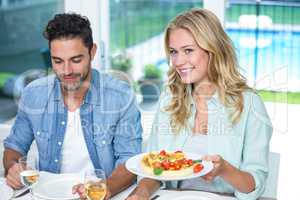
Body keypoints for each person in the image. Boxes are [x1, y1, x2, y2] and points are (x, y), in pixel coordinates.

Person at [127, 8, 272, 200]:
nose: (178, 61)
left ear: (212, 49)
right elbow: (154, 171)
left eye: (188, 50)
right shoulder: (170, 98)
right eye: (173, 52)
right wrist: (140, 194)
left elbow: (254, 185)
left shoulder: (249, 104)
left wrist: (224, 170)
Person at [3, 13, 142, 199]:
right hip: (47, 195)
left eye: (76, 60)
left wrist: (104, 189)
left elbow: (130, 161)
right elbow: (14, 147)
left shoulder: (120, 96)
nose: (66, 71)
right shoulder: (33, 94)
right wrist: (13, 167)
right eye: (58, 61)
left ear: (92, 52)